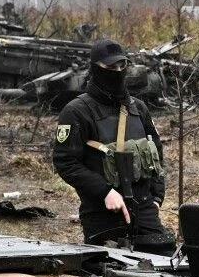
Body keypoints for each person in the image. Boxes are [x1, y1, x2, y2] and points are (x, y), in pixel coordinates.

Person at [52, 39, 175, 254]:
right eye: (110, 68)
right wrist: (105, 191)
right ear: (95, 69)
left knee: (165, 265)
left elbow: (156, 155)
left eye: (122, 66)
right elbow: (65, 162)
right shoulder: (77, 112)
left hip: (145, 208)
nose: (117, 72)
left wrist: (156, 198)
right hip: (101, 212)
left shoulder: (139, 108)